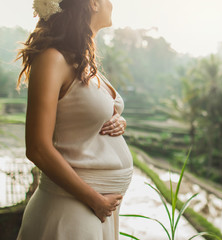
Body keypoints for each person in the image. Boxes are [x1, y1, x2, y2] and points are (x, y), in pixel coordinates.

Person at [15, 0, 133, 239]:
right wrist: (95, 200)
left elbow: (80, 115)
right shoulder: (52, 58)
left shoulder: (81, 61)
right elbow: (37, 147)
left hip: (95, 209)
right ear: (93, 4)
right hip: (73, 207)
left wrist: (118, 120)